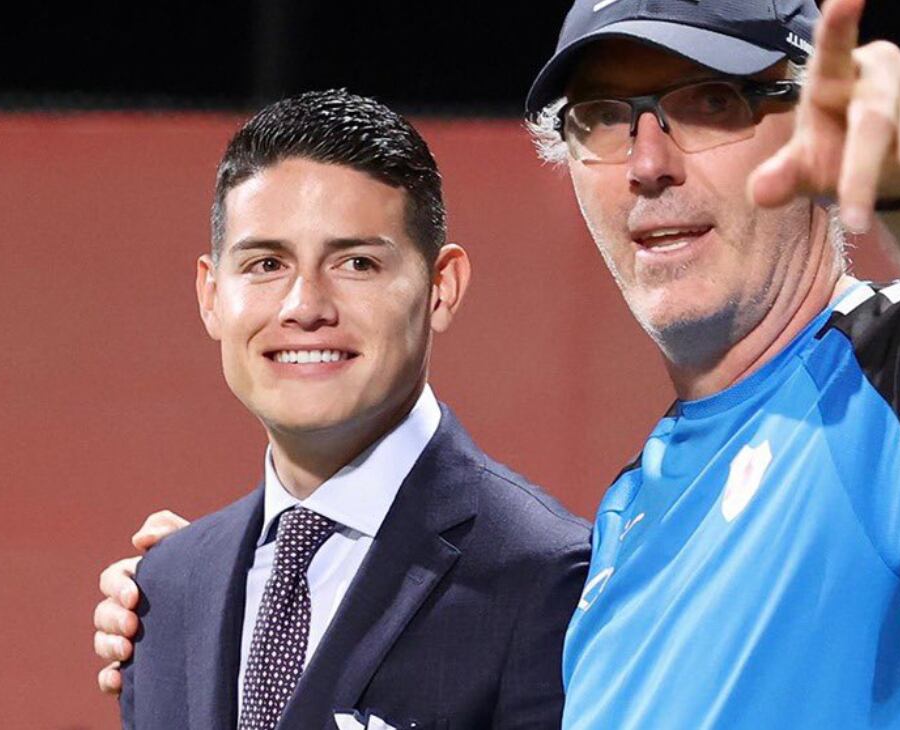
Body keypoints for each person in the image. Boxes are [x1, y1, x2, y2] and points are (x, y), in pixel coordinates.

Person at [99, 0, 900, 726]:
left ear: (812, 114)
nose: (649, 161)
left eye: (707, 101)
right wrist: (263, 591)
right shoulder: (628, 522)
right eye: (602, 122)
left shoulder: (891, 388)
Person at [111, 88, 589, 730]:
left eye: (357, 262)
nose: (305, 305)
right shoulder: (166, 592)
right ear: (211, 295)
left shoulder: (547, 578)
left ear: (441, 287)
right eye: (265, 264)